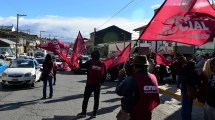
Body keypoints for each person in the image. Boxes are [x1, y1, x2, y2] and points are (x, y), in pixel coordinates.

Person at [116, 55, 160, 120]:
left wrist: (121, 77)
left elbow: (119, 91)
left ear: (134, 66)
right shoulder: (153, 77)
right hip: (146, 114)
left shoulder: (132, 78)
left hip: (133, 115)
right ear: (146, 66)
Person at [77, 50, 106, 118]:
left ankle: (84, 112)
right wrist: (101, 82)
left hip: (90, 83)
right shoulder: (102, 63)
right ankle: (94, 113)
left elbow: (81, 66)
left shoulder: (90, 62)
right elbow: (104, 74)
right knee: (96, 99)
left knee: (86, 98)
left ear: (92, 55)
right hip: (97, 85)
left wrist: (80, 59)